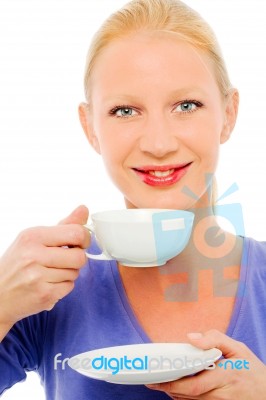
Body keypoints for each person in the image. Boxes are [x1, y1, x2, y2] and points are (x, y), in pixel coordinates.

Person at [0, 0, 266, 399]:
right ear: (90, 128)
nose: (158, 144)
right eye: (125, 110)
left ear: (228, 114)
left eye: (186, 106)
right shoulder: (46, 294)